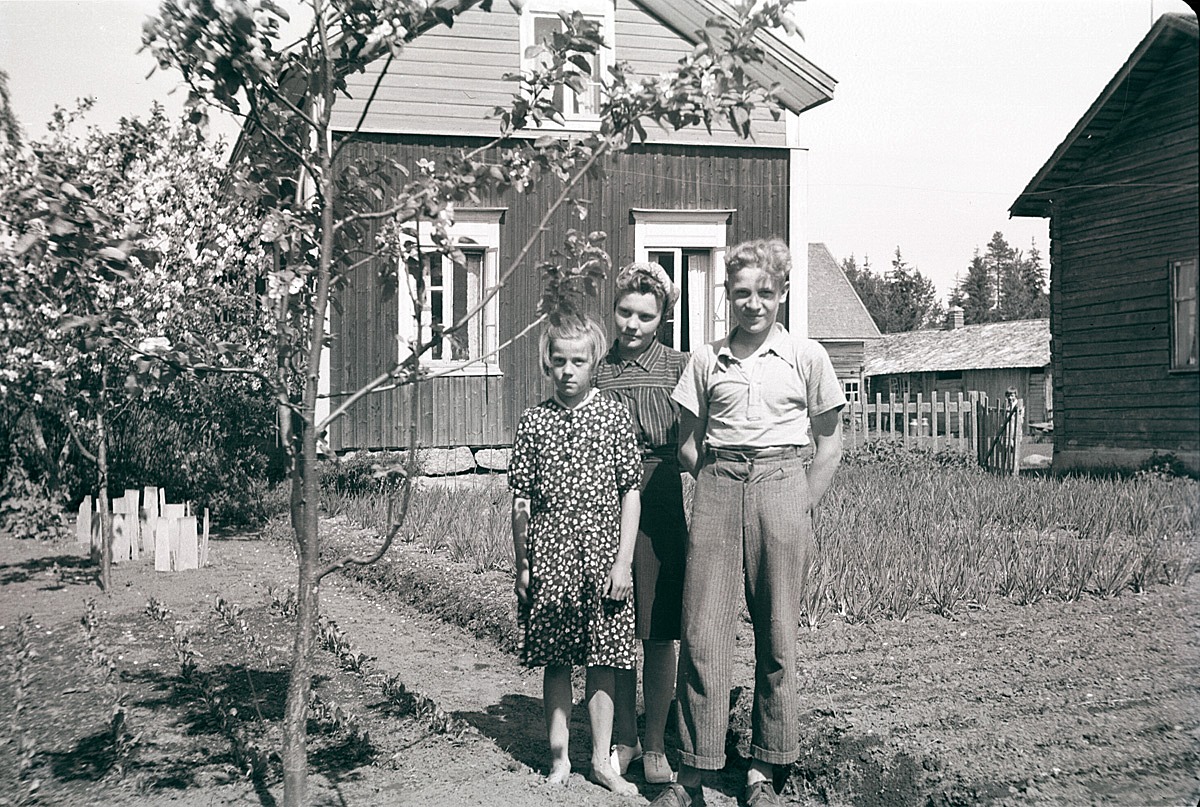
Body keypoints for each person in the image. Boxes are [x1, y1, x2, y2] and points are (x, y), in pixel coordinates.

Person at [653, 238, 846, 807]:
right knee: (703, 632)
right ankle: (694, 774)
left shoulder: (807, 357)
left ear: (782, 293)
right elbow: (687, 444)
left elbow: (829, 444)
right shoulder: (706, 360)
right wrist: (718, 482)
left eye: (765, 292)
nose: (753, 304)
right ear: (727, 297)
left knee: (777, 632)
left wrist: (797, 502)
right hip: (718, 484)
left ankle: (764, 768)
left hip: (783, 485)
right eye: (742, 293)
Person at [508, 315, 643, 795]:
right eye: (559, 361)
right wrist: (524, 563)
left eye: (578, 361)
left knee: (604, 660)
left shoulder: (612, 417)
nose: (568, 370)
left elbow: (631, 491)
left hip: (603, 559)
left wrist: (623, 562)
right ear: (548, 362)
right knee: (558, 661)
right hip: (551, 561)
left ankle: (603, 761)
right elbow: (521, 498)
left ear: (594, 361)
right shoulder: (534, 421)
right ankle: (560, 757)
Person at [594, 262, 691, 786]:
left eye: (645, 316)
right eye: (625, 312)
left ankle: (655, 745)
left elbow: (699, 438)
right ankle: (624, 739)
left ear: (663, 319)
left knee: (657, 630)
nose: (632, 324)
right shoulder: (597, 367)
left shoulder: (679, 367)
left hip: (657, 499)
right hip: (603, 501)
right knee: (614, 629)